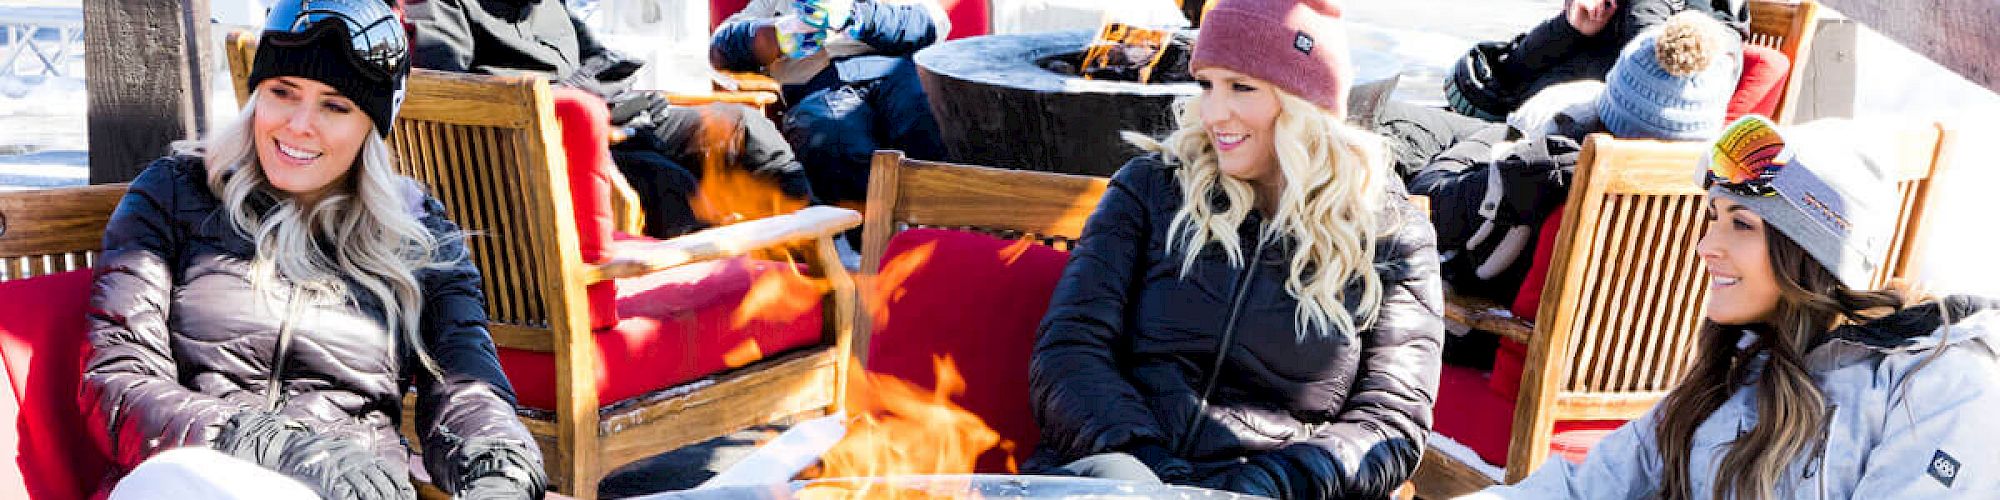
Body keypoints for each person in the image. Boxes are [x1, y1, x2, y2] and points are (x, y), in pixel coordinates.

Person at [80, 1, 545, 498]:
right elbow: (119, 382)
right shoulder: (177, 192)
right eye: (282, 92)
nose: (300, 124)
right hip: (192, 474)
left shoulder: (418, 235)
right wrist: (269, 444)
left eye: (335, 105)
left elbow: (466, 384)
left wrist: (499, 467)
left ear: (371, 124)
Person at [1024, 1, 1445, 498]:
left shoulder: (1391, 234)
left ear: (1304, 104)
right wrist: (1149, 469)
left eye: (1241, 87)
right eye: (1207, 83)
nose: (1213, 112)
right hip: (1121, 477)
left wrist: (1274, 482)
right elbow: (1070, 351)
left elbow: (1391, 418)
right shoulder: (1151, 190)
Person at [1463, 116, 2000, 499]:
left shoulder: (1941, 385)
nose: (1705, 246)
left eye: (1741, 224)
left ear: (1810, 255)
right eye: (1715, 217)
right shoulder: (1743, 369)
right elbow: (1585, 487)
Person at [407, 0, 816, 237]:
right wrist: (569, 104)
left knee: (742, 128)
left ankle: (813, 248)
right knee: (671, 184)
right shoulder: (438, 7)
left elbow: (595, 54)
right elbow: (451, 98)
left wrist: (611, 93)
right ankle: (710, 317)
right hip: (541, 148)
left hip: (613, 113)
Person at [710, 0, 950, 206]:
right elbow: (719, 48)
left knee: (925, 114)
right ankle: (858, 244)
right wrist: (775, 36)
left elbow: (932, 24)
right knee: (830, 136)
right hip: (818, 88)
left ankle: (940, 229)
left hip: (895, 73)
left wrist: (857, 16)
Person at [1446, 0, 1746, 122]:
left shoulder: (1709, 30)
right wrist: (1569, 28)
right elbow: (1512, 73)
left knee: (1404, 132)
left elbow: (1661, 87)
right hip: (1516, 121)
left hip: (1547, 150)